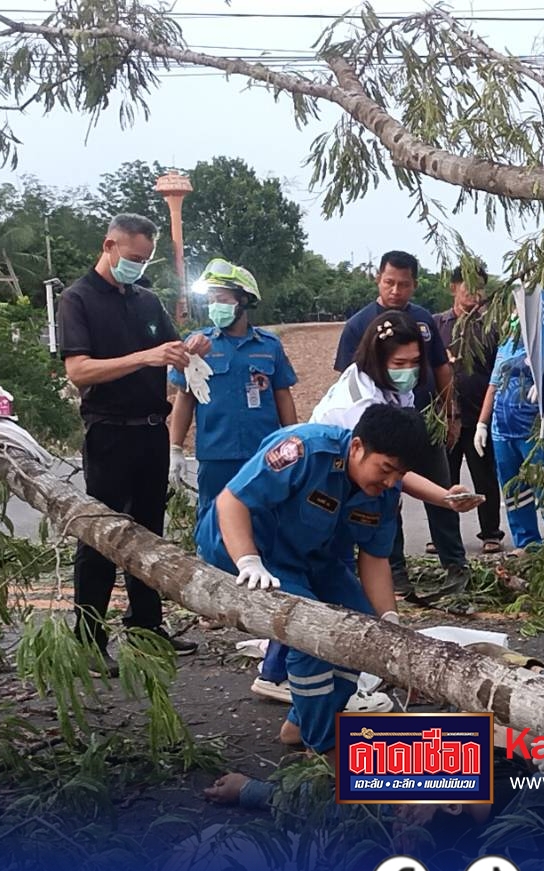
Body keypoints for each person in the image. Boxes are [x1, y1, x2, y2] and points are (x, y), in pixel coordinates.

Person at [194, 405, 435, 805]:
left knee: (362, 630)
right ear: (356, 447)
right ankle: (324, 747)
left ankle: (301, 724)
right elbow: (232, 502)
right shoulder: (304, 450)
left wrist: (389, 619)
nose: (391, 481)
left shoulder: (384, 489)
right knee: (314, 635)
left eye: (399, 474)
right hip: (247, 549)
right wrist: (248, 561)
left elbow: (374, 558)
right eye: (385, 468)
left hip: (310, 557)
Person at [59, 213, 206, 671]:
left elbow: (171, 347)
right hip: (109, 431)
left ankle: (146, 625)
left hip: (150, 431)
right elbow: (78, 370)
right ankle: (89, 637)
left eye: (145, 260)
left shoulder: (146, 300)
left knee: (148, 533)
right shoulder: (77, 299)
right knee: (101, 537)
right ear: (110, 245)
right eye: (133, 257)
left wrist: (190, 347)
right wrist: (145, 356)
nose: (138, 267)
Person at [334, 251, 466, 596]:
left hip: (419, 423)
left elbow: (441, 369)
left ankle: (455, 566)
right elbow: (393, 474)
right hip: (370, 443)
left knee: (432, 487)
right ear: (378, 279)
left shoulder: (422, 326)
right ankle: (392, 576)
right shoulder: (362, 394)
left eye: (404, 284)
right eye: (389, 282)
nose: (396, 290)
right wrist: (441, 496)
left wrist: (449, 414)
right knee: (384, 498)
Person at [167, 258, 299, 527]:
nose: (215, 305)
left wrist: (292, 442)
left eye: (222, 298)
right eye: (212, 299)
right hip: (216, 456)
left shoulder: (269, 346)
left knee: (264, 521)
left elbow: (283, 396)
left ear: (244, 300)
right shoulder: (197, 345)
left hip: (263, 452)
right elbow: (184, 397)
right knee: (214, 523)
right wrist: (175, 448)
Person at [474, 314, 544, 555]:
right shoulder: (506, 344)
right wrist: (482, 423)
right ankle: (526, 542)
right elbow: (494, 384)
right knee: (515, 490)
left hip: (537, 432)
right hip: (502, 430)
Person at [437, 262, 507, 555]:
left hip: (480, 416)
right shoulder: (435, 325)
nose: (474, 293)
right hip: (444, 418)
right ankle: (443, 536)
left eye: (480, 287)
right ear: (454, 287)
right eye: (467, 286)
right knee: (443, 478)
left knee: (484, 478)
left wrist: (485, 419)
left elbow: (498, 372)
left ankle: (490, 533)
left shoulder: (491, 326)